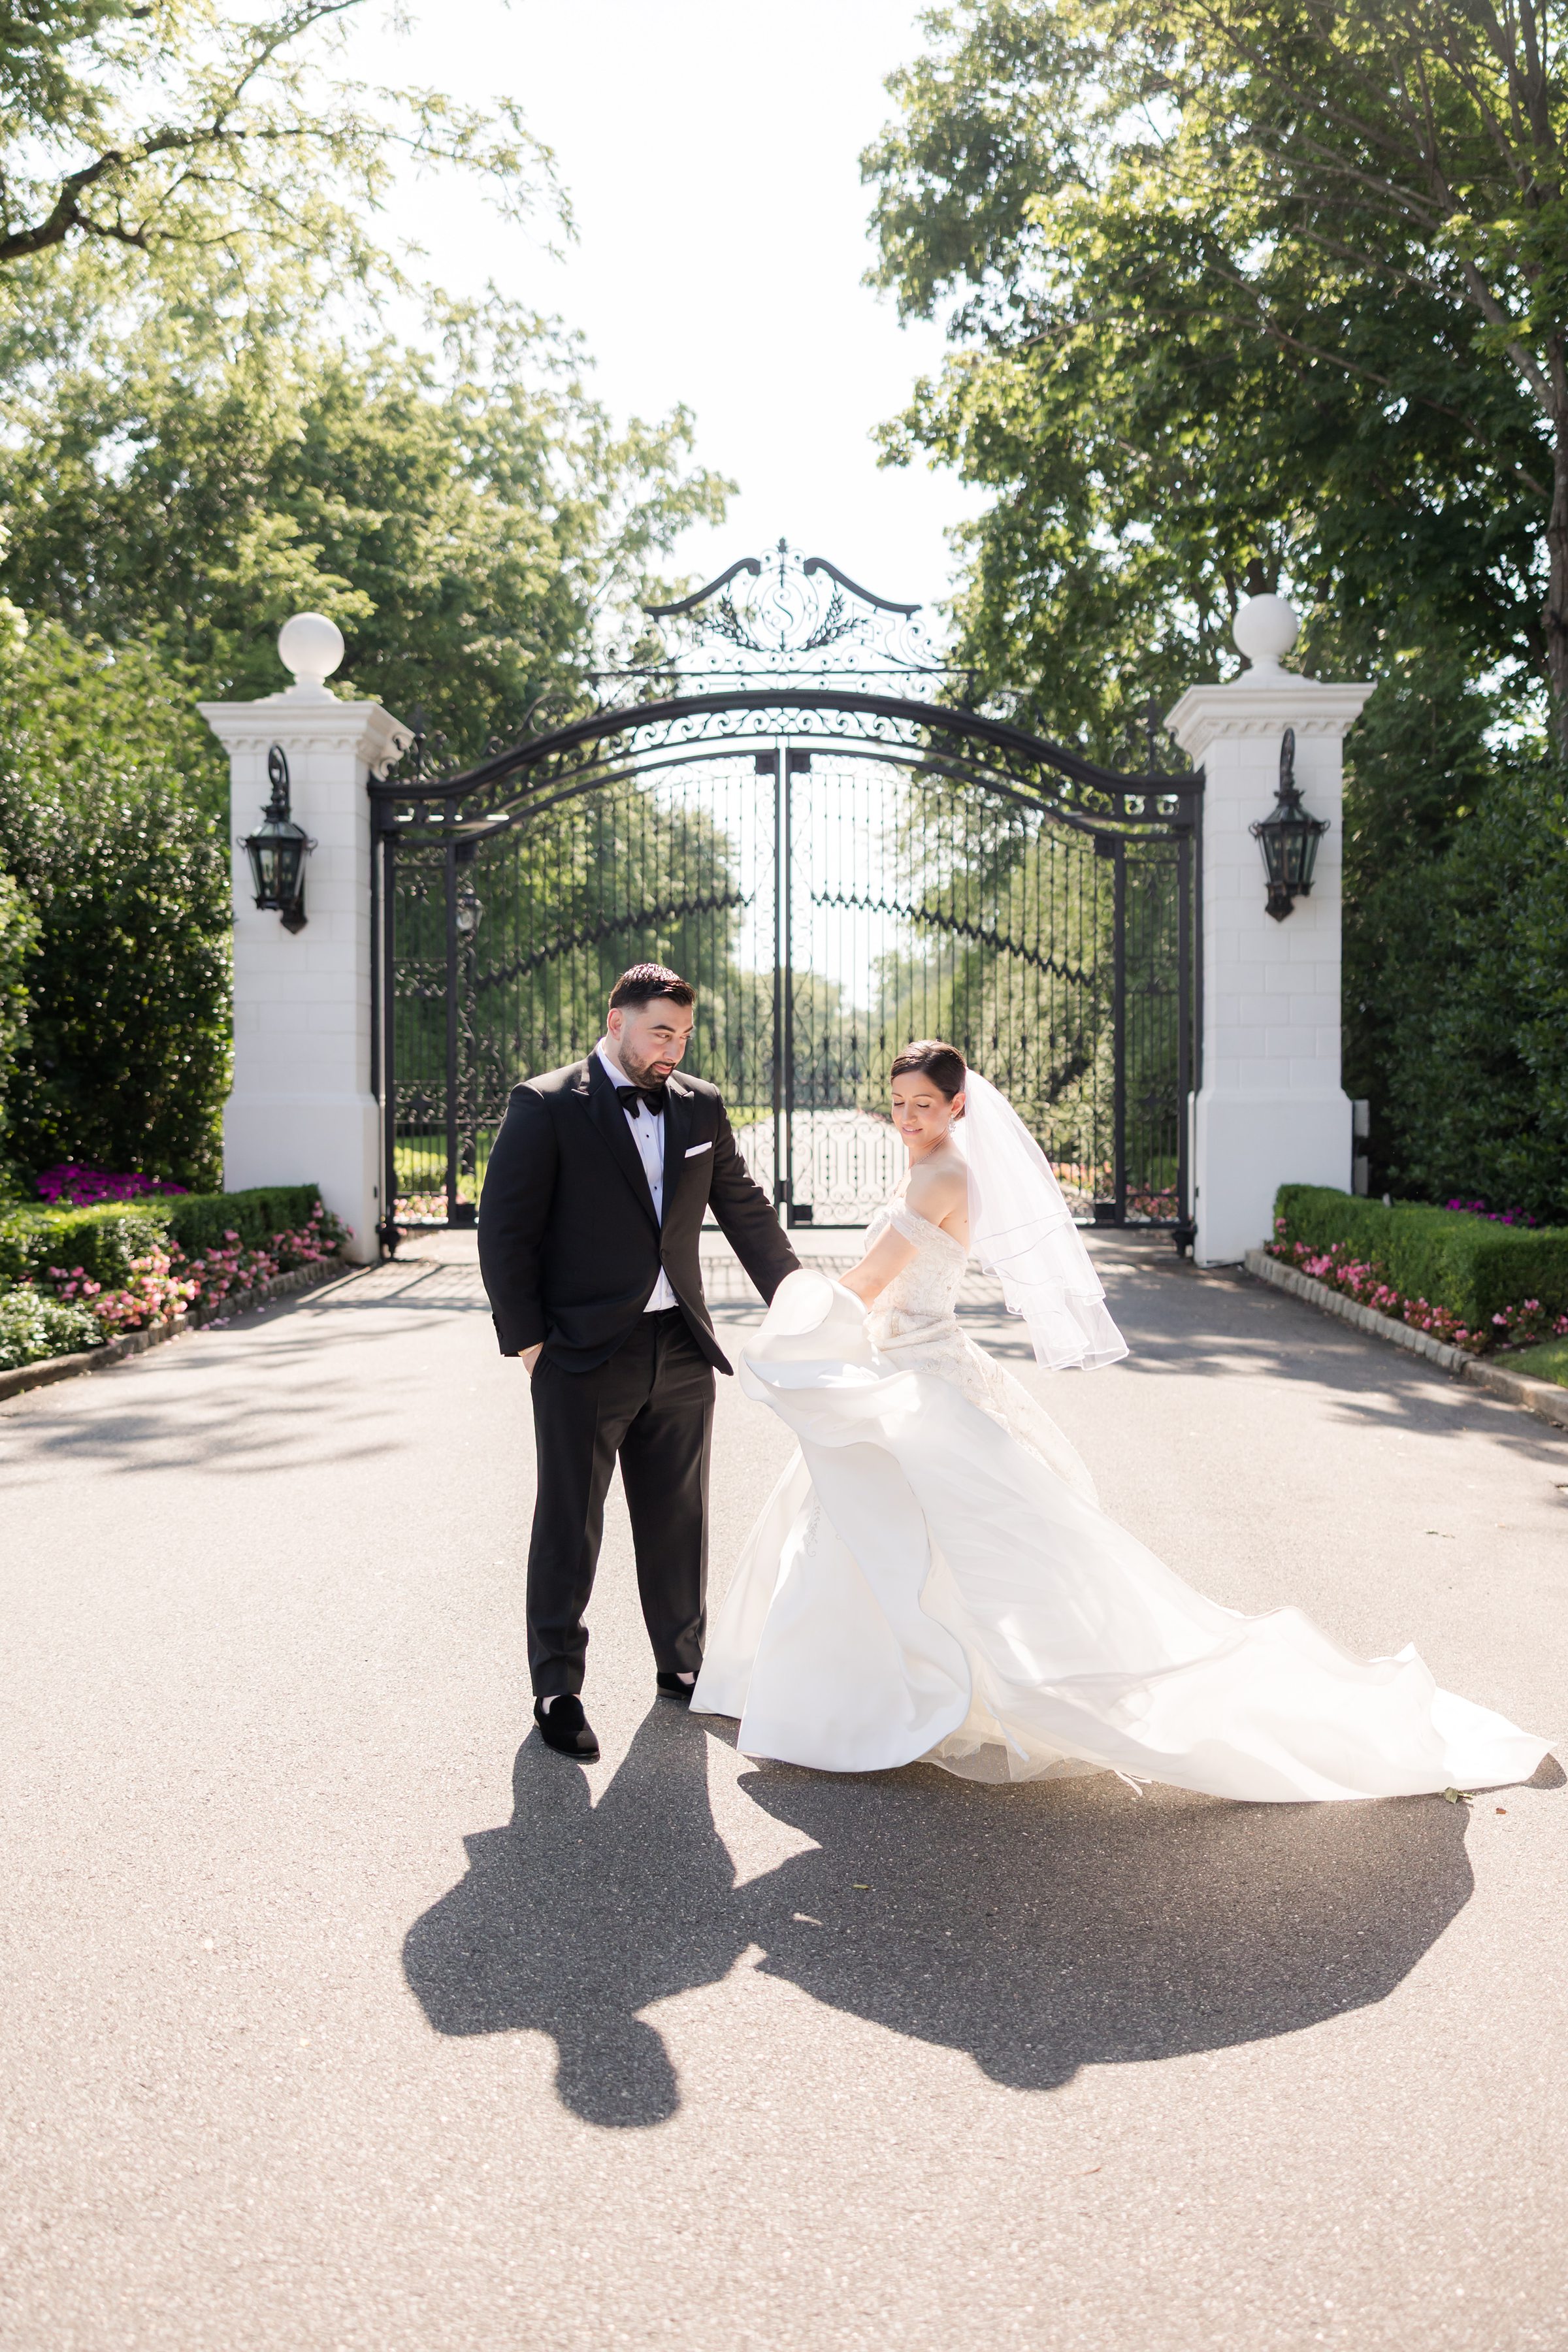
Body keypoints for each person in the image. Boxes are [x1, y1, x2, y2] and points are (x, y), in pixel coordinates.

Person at [691, 1040, 1550, 1801]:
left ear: (959, 1105)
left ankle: (883, 1701)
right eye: (900, 1104)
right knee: (872, 1530)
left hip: (923, 1373)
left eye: (925, 1105)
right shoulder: (932, 1163)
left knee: (903, 1532)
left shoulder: (943, 1171)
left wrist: (800, 1319)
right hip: (912, 1364)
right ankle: (864, 1695)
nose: (909, 1118)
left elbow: (874, 1281)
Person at [478, 963, 799, 1761]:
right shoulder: (546, 1105)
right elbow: (503, 1233)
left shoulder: (699, 1104)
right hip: (581, 1353)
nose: (673, 1049)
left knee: (679, 1522)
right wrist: (529, 1345)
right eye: (662, 1032)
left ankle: (681, 1666)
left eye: (684, 1035)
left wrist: (798, 1301)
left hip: (681, 1347)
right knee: (569, 1523)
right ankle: (557, 1687)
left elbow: (747, 1211)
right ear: (616, 1020)